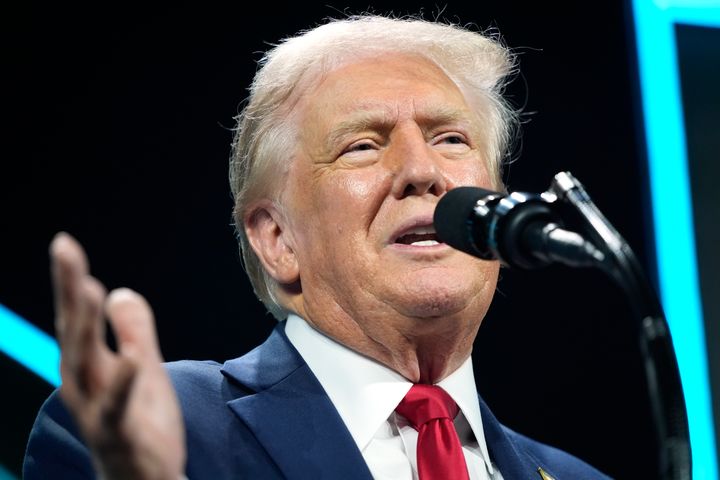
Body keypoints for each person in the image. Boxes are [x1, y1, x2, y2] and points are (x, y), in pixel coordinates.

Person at [23, 15, 611, 480]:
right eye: (361, 145)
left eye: (451, 138)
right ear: (278, 240)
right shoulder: (153, 430)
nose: (421, 170)